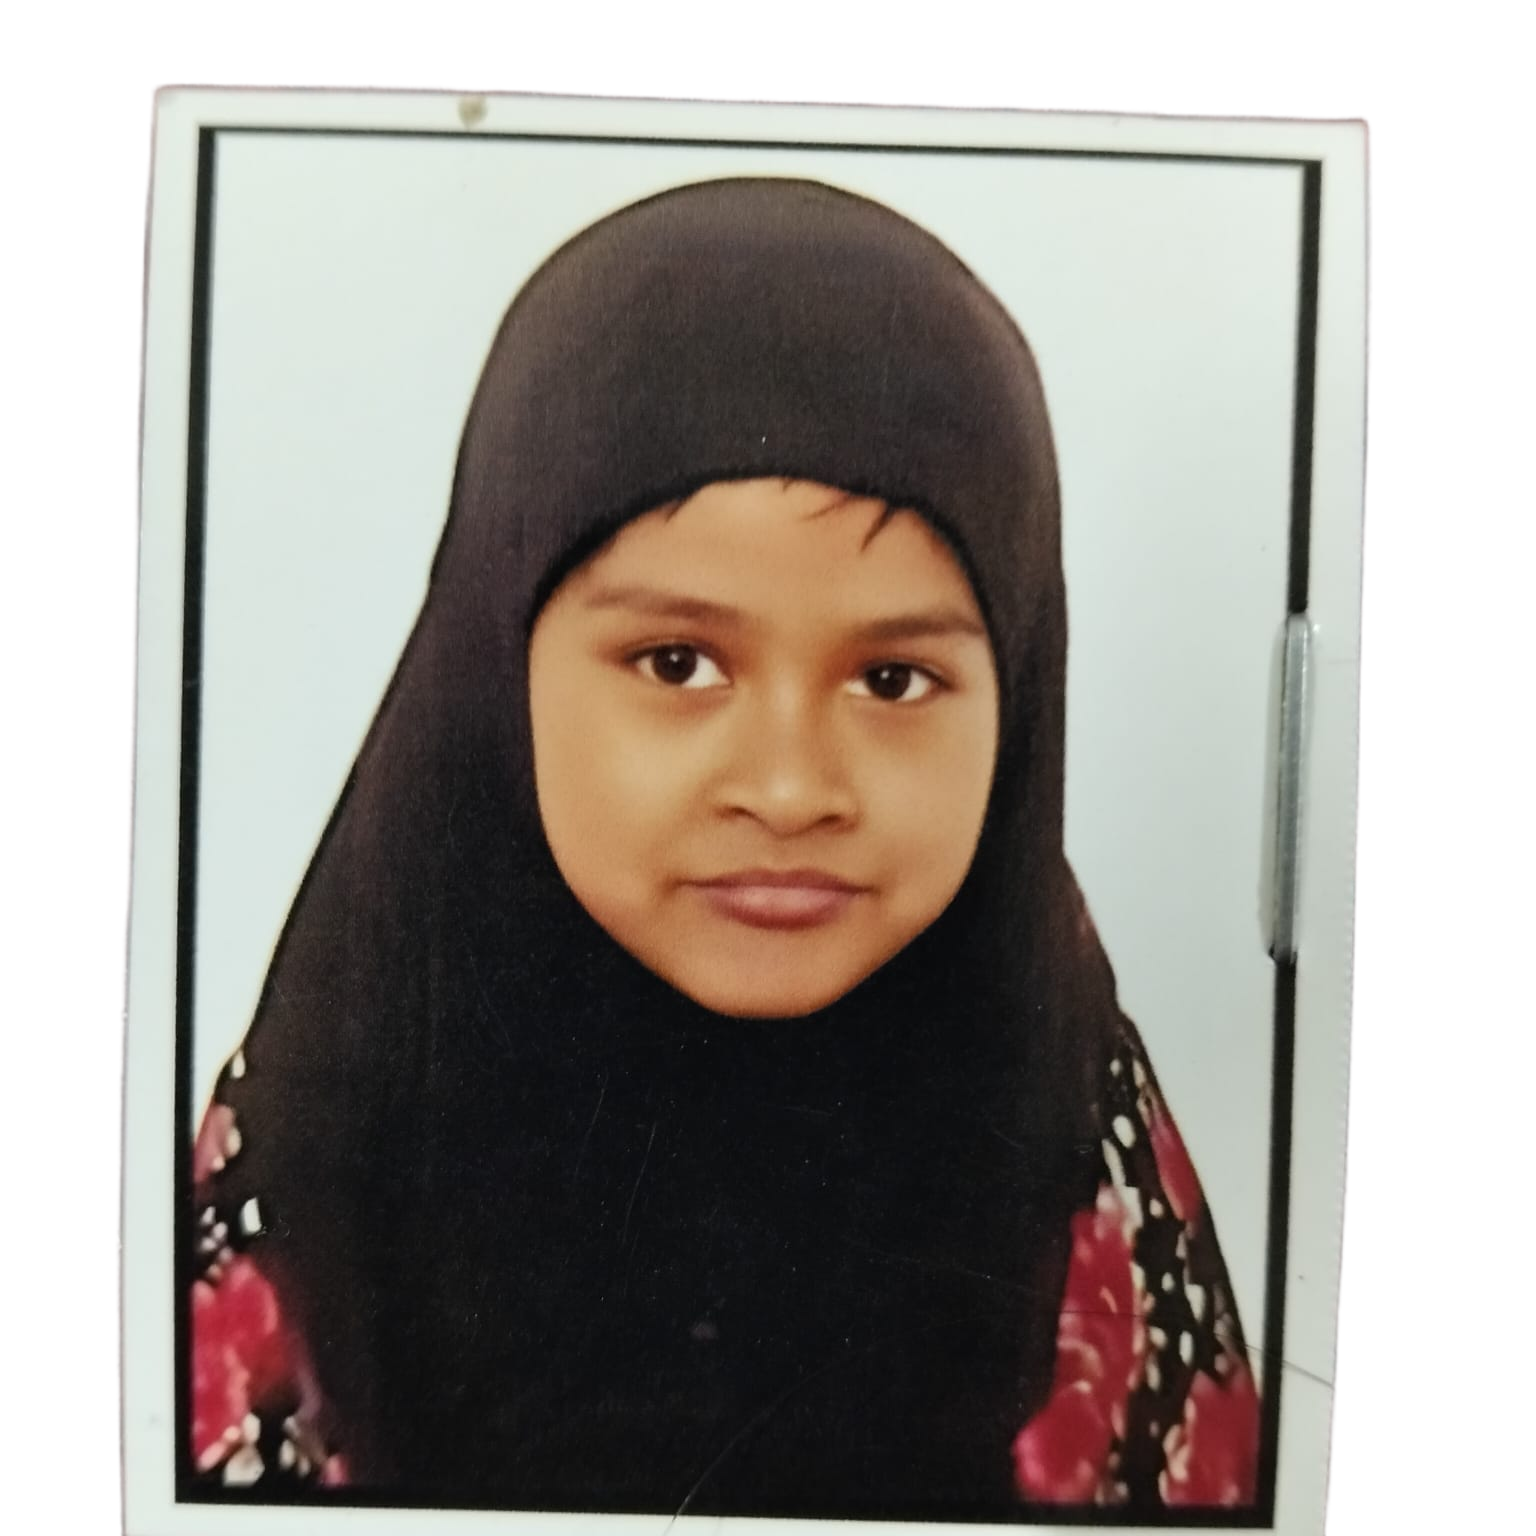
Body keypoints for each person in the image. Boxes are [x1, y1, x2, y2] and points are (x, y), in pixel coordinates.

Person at [188, 177, 1260, 1515]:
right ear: (492, 672)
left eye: (892, 680)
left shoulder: (1065, 1126)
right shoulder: (316, 1165)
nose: (791, 789)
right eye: (678, 662)